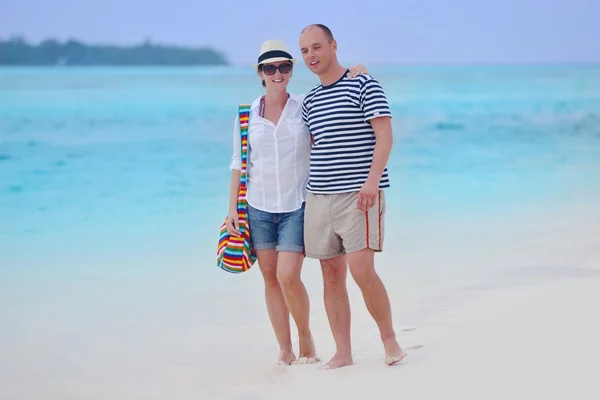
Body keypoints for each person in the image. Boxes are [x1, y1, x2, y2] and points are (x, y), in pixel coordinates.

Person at [226, 39, 369, 366]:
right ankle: (285, 349)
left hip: (297, 206)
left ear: (291, 71)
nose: (278, 73)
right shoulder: (247, 115)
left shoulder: (304, 106)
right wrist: (233, 208)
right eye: (270, 68)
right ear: (261, 73)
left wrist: (356, 74)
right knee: (270, 279)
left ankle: (306, 337)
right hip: (258, 207)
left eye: (284, 66)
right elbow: (238, 162)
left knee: (288, 275)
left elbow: (336, 109)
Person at [298, 24, 406, 369]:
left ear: (333, 45)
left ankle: (391, 341)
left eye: (317, 47)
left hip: (359, 196)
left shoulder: (364, 84)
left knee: (362, 270)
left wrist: (372, 182)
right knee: (330, 275)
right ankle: (342, 353)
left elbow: (384, 137)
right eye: (304, 51)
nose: (311, 56)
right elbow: (316, 148)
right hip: (318, 198)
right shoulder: (310, 101)